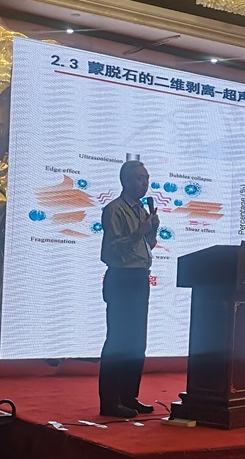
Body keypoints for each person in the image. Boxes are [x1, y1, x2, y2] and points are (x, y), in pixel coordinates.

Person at [98, 160, 159, 418]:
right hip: (121, 278)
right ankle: (110, 402)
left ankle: (128, 397)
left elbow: (144, 248)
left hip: (139, 277)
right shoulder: (115, 209)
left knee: (136, 342)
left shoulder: (141, 210)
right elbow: (113, 248)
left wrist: (151, 232)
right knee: (118, 341)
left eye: (146, 178)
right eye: (139, 178)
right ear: (125, 180)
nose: (145, 183)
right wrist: (138, 232)